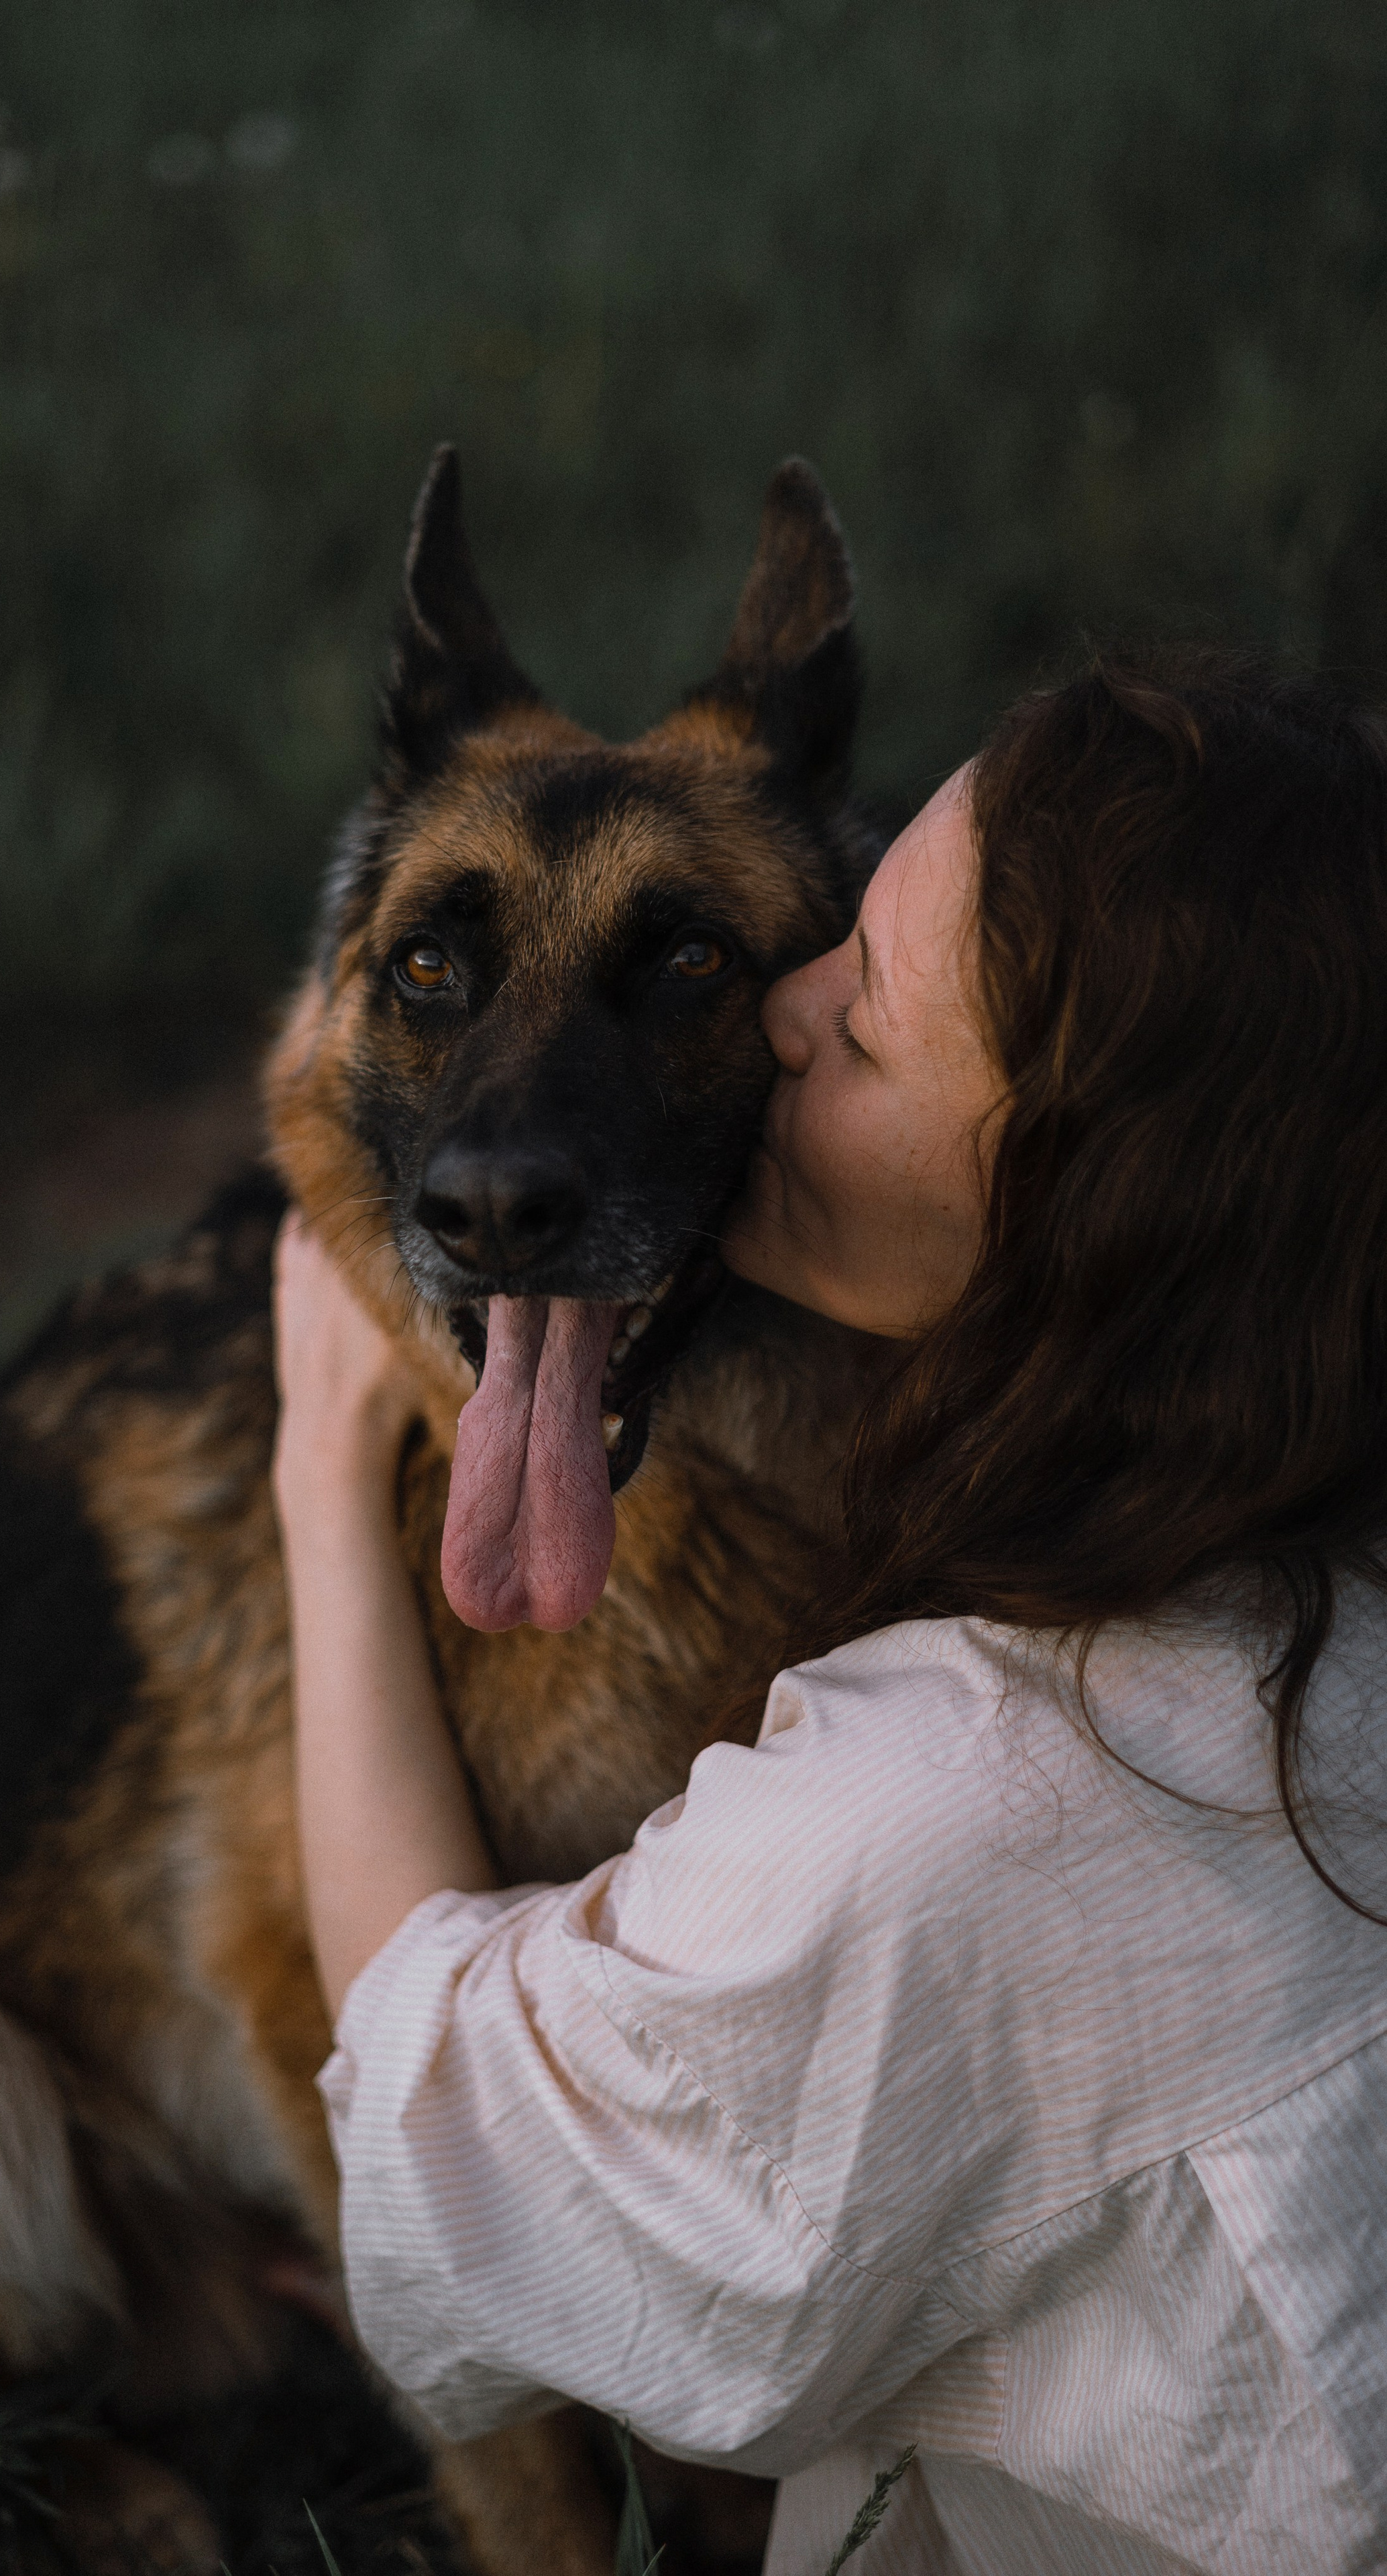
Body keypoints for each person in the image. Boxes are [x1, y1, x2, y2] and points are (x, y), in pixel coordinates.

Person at [270, 650, 1387, 2575]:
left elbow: (451, 2154)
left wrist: (318, 1474)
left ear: (1086, 1209)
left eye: (860, 1024)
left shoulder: (968, 1806)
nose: (781, 1016)